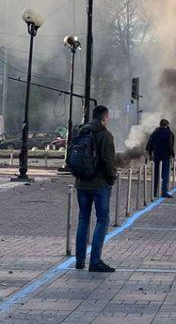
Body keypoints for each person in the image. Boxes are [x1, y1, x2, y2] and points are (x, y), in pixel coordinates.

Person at [74, 105, 117, 273]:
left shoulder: (81, 132)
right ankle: (95, 261)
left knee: (83, 220)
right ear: (104, 118)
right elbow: (108, 161)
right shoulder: (105, 135)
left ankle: (79, 261)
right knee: (102, 220)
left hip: (81, 182)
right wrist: (112, 178)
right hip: (99, 184)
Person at [146, 119, 175, 198]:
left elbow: (149, 145)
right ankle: (164, 192)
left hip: (157, 157)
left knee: (156, 174)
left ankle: (155, 192)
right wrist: (173, 155)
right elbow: (170, 145)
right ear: (167, 125)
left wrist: (150, 155)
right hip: (165, 157)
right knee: (164, 175)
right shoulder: (169, 133)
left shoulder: (155, 133)